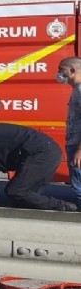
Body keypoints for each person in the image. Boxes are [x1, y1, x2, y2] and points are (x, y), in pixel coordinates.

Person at [57, 57, 81, 210]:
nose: (58, 73)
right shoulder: (76, 89)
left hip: (77, 143)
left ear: (72, 70)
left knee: (79, 185)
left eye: (61, 69)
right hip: (74, 141)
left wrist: (80, 150)